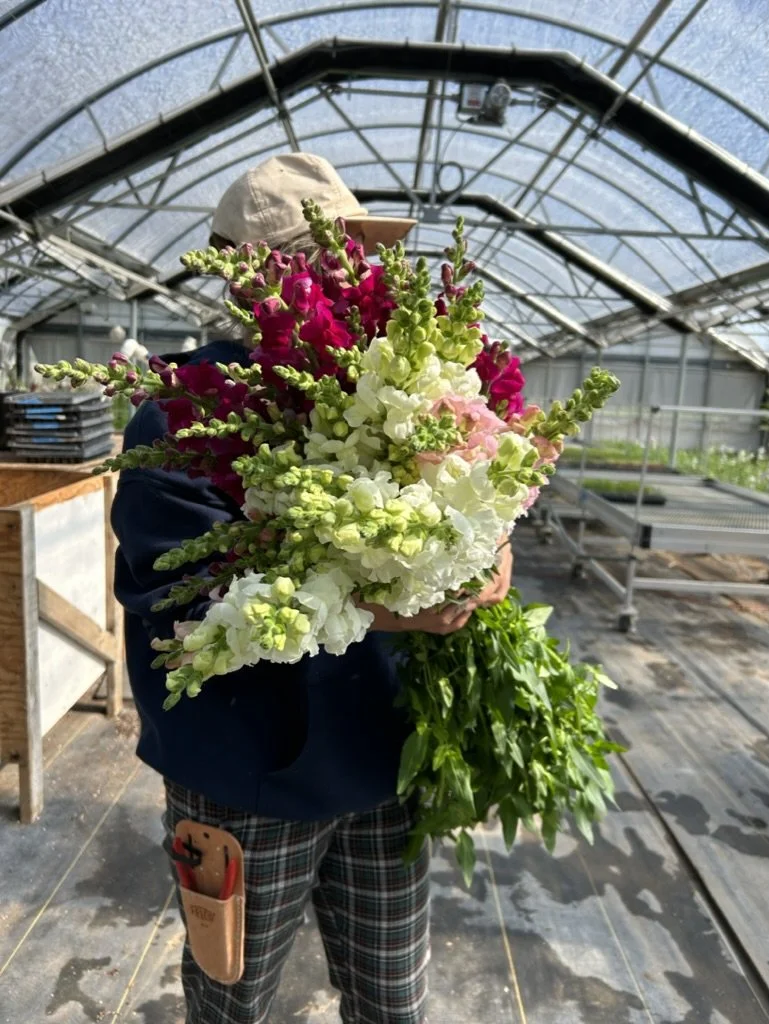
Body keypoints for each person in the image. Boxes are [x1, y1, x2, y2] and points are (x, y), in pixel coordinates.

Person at [111, 153, 513, 1024]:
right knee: (233, 1001)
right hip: (245, 773)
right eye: (327, 250)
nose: (354, 269)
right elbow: (188, 589)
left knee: (393, 1000)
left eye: (358, 251)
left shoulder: (387, 385)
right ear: (257, 272)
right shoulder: (182, 410)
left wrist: (484, 551)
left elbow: (462, 507)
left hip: (379, 758)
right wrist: (386, 605)